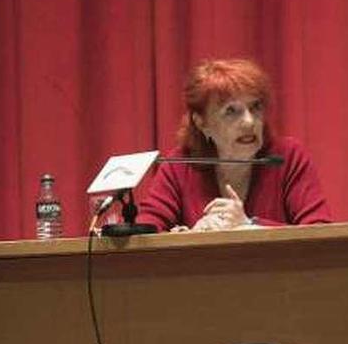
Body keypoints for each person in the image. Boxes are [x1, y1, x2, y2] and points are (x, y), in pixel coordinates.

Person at [138, 58, 332, 231]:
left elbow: (319, 231)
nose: (249, 121)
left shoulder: (286, 158)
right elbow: (146, 229)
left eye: (255, 107)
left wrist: (249, 226)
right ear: (201, 122)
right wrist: (186, 238)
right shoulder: (179, 166)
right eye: (232, 111)